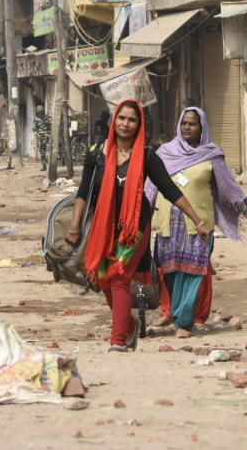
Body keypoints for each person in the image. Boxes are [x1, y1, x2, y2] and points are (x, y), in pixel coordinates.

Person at [67, 100, 211, 352]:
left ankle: (118, 340)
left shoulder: (146, 156)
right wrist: (75, 226)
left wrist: (197, 220)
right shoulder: (96, 153)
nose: (125, 123)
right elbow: (83, 192)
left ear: (139, 124)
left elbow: (169, 190)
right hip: (103, 227)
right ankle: (129, 324)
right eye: (122, 118)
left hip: (135, 227)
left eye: (131, 120)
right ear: (114, 120)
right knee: (104, 281)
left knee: (120, 276)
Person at [147, 107, 247, 337]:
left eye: (192, 124)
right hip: (167, 223)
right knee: (169, 272)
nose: (187, 127)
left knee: (194, 272)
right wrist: (140, 213)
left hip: (198, 225)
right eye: (184, 123)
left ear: (202, 127)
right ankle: (173, 313)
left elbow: (228, 186)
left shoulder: (211, 154)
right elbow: (152, 185)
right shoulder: (165, 153)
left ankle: (184, 322)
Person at [33, 105, 52, 171]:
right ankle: (44, 166)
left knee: (49, 152)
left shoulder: (48, 118)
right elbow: (34, 129)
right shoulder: (36, 119)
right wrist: (37, 134)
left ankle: (50, 166)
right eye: (39, 112)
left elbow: (51, 128)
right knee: (42, 152)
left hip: (49, 138)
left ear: (43, 111)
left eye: (41, 112)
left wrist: (50, 134)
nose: (40, 113)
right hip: (41, 139)